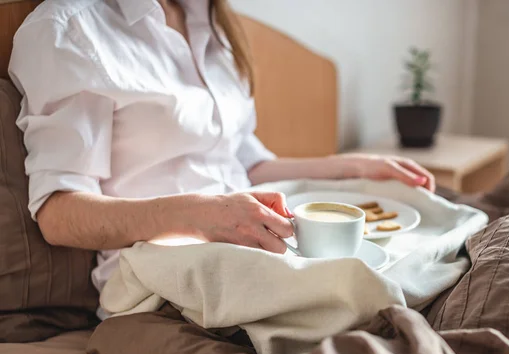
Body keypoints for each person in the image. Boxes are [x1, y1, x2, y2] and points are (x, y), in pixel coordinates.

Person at [9, 0, 435, 318]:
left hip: (253, 247)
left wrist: (352, 167)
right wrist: (199, 215)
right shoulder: (72, 30)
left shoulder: (212, 20)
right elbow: (58, 214)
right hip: (164, 283)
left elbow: (246, 164)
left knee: (428, 252)